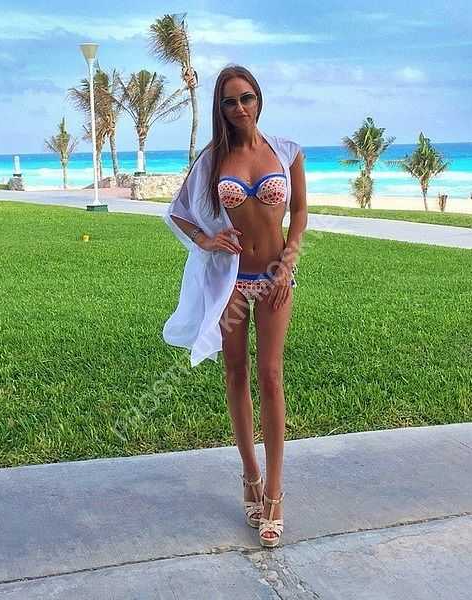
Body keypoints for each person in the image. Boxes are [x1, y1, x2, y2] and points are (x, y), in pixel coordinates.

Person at [162, 64, 307, 547]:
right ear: (220, 109)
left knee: (271, 375)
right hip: (231, 282)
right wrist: (206, 239)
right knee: (235, 373)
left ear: (258, 99)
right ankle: (250, 475)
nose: (239, 107)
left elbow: (299, 212)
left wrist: (288, 261)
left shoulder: (286, 152)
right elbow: (179, 212)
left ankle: (275, 493)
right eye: (229, 101)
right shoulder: (213, 159)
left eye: (246, 97)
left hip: (274, 279)